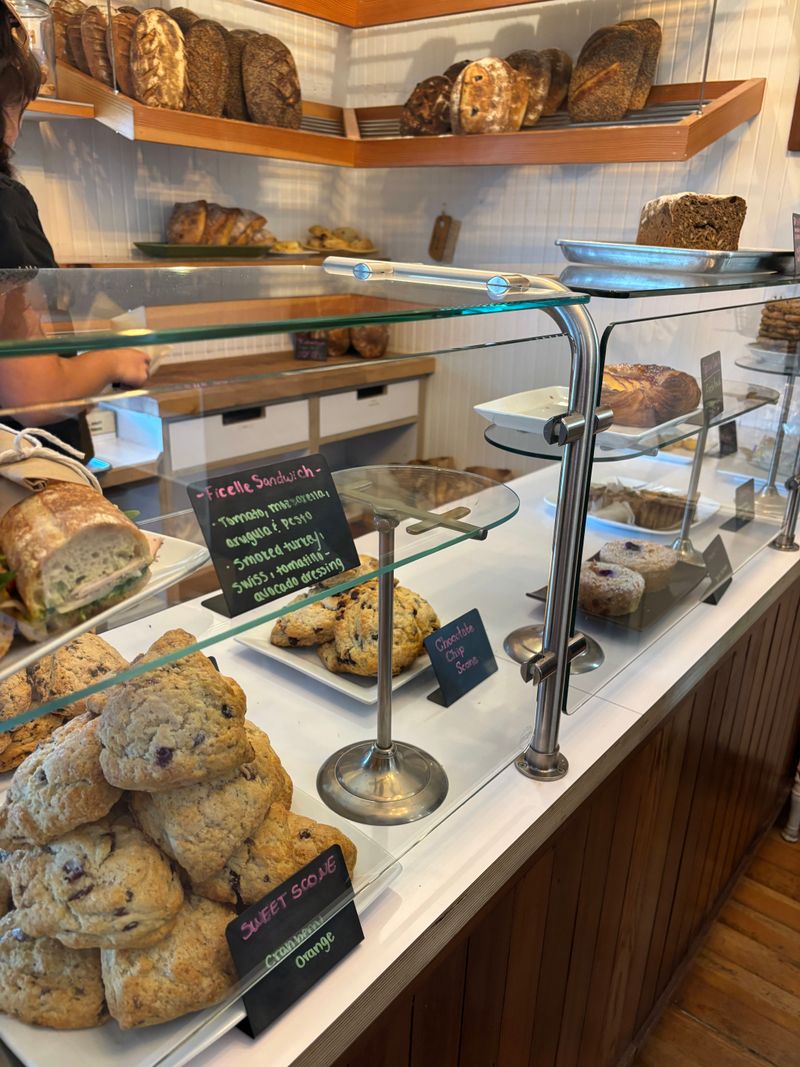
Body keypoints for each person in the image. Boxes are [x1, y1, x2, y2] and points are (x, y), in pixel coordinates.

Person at [0, 0, 150, 450]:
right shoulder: (5, 206)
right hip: (24, 474)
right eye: (18, 103)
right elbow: (36, 395)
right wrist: (112, 360)